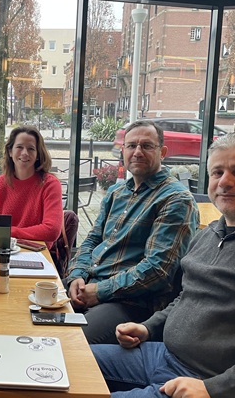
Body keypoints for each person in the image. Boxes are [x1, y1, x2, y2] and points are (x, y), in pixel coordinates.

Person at [50, 132, 235, 398]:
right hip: (163, 356)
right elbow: (185, 297)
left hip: (223, 391)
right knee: (62, 362)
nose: (225, 181)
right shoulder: (211, 233)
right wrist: (148, 327)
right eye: (217, 172)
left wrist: (214, 391)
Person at [67, 120, 199, 345]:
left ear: (163, 152)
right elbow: (92, 239)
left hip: (132, 303)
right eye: (131, 146)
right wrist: (76, 276)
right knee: (26, 312)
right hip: (91, 284)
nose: (137, 152)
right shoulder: (116, 192)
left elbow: (158, 270)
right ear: (123, 150)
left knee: (72, 342)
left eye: (146, 146)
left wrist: (99, 291)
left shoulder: (175, 199)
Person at [0, 126, 63, 247]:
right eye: (19, 147)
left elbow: (52, 231)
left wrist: (9, 232)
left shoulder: (50, 184)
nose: (24, 153)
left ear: (38, 154)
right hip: (4, 252)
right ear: (10, 151)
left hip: (38, 254)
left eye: (31, 149)